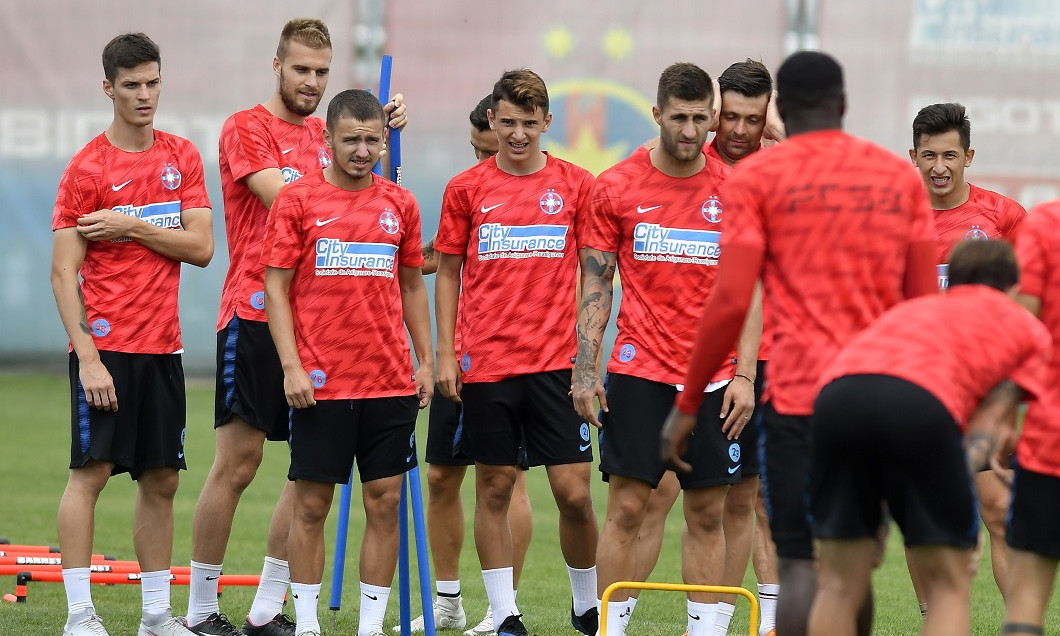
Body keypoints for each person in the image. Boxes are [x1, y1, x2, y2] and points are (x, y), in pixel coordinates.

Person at [661, 50, 938, 636]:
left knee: (798, 563)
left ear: (778, 109)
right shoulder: (896, 178)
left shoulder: (757, 178)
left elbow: (731, 300)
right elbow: (921, 309)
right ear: (843, 105)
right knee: (851, 562)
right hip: (874, 399)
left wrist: (689, 403)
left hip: (796, 400)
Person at [185, 19, 406, 636]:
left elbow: (366, 206)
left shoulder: (328, 132)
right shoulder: (246, 127)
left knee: (309, 473)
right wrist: (355, 156)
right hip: (256, 314)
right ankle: (201, 607)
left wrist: (369, 142)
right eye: (301, 69)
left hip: (326, 332)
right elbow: (289, 200)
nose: (311, 82)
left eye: (321, 72)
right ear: (276, 65)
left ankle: (267, 606)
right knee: (239, 461)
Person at [573, 62, 760, 636]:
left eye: (701, 118)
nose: (689, 130)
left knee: (707, 513)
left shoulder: (737, 192)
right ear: (656, 115)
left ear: (714, 118)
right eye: (678, 117)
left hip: (715, 377)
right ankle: (612, 629)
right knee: (628, 508)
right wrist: (585, 370)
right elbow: (597, 283)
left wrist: (746, 376)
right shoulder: (616, 187)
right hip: (640, 372)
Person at [51, 33, 214, 636]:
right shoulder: (87, 168)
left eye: (152, 83)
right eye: (131, 86)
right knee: (90, 473)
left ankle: (154, 616)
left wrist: (131, 226)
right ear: (108, 88)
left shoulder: (182, 157)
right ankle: (79, 614)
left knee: (163, 479)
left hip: (162, 346)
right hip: (106, 349)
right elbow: (63, 272)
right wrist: (89, 359)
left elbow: (200, 248)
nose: (144, 96)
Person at [806, 239, 1049, 636]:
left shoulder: (913, 310)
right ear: (1013, 288)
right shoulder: (1025, 326)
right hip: (920, 402)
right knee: (948, 585)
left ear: (951, 281)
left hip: (836, 398)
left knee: (837, 582)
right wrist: (962, 504)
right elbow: (984, 430)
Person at [261, 89, 432, 636]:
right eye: (351, 139)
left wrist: (426, 360)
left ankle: (371, 627)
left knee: (385, 506)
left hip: (388, 383)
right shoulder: (297, 201)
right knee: (311, 507)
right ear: (328, 139)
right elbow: (275, 288)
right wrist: (290, 366)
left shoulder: (399, 203)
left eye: (372, 140)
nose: (362, 151)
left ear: (385, 141)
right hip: (319, 384)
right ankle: (308, 625)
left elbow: (411, 286)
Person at [434, 69, 599, 636]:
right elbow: (448, 271)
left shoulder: (578, 185)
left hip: (557, 365)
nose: (519, 134)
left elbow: (595, 276)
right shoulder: (466, 188)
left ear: (547, 122)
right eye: (508, 123)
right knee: (496, 485)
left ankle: (586, 605)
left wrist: (588, 359)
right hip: (488, 363)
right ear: (493, 121)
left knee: (574, 492)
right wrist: (445, 353)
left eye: (530, 124)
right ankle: (505, 615)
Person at [406, 95, 533, 636]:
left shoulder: (534, 190)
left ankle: (503, 608)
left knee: (506, 484)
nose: (485, 161)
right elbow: (435, 259)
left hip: (517, 360)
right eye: (477, 149)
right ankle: (449, 600)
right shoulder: (467, 191)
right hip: (461, 358)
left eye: (491, 149)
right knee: (440, 477)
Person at [906, 102, 1026, 615]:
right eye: (929, 155)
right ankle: (938, 621)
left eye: (950, 155)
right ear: (912, 156)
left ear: (968, 156)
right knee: (924, 520)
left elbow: (1033, 298)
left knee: (999, 512)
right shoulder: (893, 219)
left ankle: (1021, 623)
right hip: (913, 391)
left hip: (981, 394)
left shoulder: (1002, 217)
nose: (939, 166)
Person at [1004, 201, 1060, 636]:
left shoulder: (1047, 223)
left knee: (1027, 598)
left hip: (1050, 444)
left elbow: (1021, 329)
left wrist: (1001, 412)